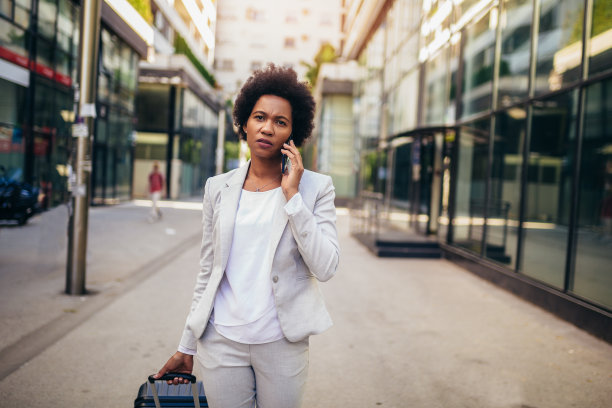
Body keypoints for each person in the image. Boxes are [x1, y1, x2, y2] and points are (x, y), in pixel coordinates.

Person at [153, 64, 340, 407]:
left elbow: (326, 266)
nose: (268, 128)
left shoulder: (316, 188)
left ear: (293, 131)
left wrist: (293, 197)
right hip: (222, 340)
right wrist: (187, 345)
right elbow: (208, 271)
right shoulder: (217, 188)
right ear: (245, 122)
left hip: (282, 342)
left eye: (280, 122)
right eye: (259, 117)